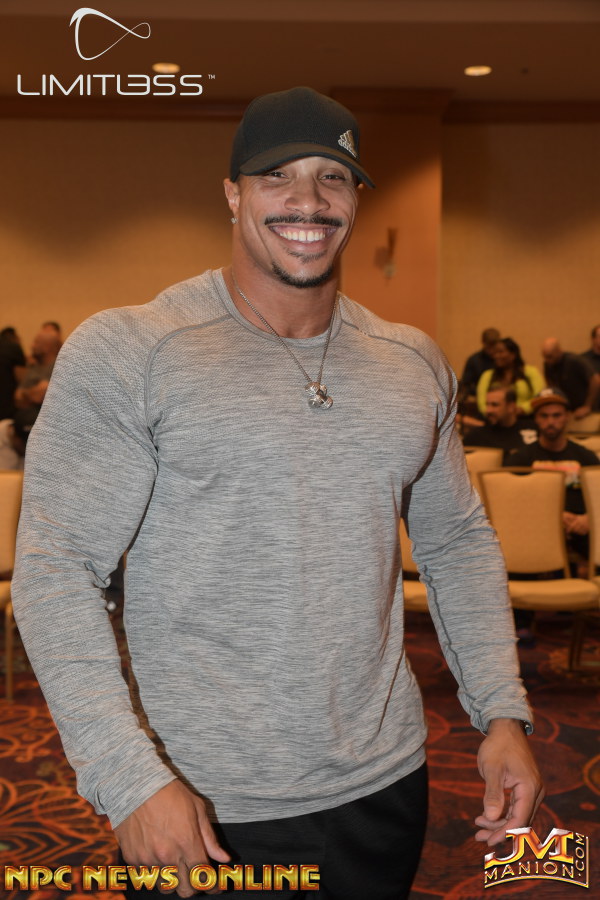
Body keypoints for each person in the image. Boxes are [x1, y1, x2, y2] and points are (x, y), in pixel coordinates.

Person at [12, 86, 542, 900]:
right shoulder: (135, 351)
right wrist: (127, 777)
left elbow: (455, 543)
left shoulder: (411, 364)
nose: (308, 200)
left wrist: (501, 710)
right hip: (200, 802)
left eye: (333, 176)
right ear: (232, 194)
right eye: (277, 176)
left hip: (383, 784)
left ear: (356, 198)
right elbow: (54, 568)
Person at [506, 388, 599, 569]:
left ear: (567, 417)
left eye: (557, 415)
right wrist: (552, 516)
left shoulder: (586, 457)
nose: (550, 422)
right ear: (536, 419)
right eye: (544, 416)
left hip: (582, 530)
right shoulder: (520, 459)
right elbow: (510, 504)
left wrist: (590, 518)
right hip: (537, 529)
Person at [462, 384, 536, 462]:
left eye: (494, 405)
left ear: (511, 407)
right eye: (487, 404)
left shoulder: (531, 427)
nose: (488, 410)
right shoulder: (477, 436)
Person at [476, 337, 544, 419]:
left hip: (526, 418)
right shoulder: (488, 375)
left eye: (500, 352)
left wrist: (523, 409)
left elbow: (540, 396)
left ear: (513, 355)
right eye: (495, 353)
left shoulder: (530, 372)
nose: (496, 356)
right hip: (494, 420)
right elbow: (481, 402)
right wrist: (492, 412)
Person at [541, 337, 597, 419]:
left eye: (550, 356)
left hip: (587, 408)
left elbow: (595, 380)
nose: (547, 360)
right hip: (569, 410)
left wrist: (587, 406)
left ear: (558, 351)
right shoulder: (548, 364)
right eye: (545, 357)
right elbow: (552, 386)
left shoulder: (574, 361)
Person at [459, 327, 500, 400]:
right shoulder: (474, 360)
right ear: (483, 342)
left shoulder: (502, 359)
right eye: (489, 346)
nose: (491, 350)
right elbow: (466, 385)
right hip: (478, 398)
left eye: (494, 346)